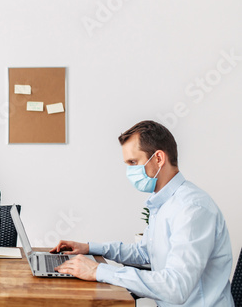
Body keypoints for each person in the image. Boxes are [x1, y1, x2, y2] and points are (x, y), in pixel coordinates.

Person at [51, 120, 234, 306]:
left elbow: (176, 287)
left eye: (133, 162)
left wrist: (98, 271)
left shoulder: (192, 208)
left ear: (159, 159)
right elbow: (144, 253)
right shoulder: (164, 203)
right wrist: (90, 248)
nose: (130, 171)